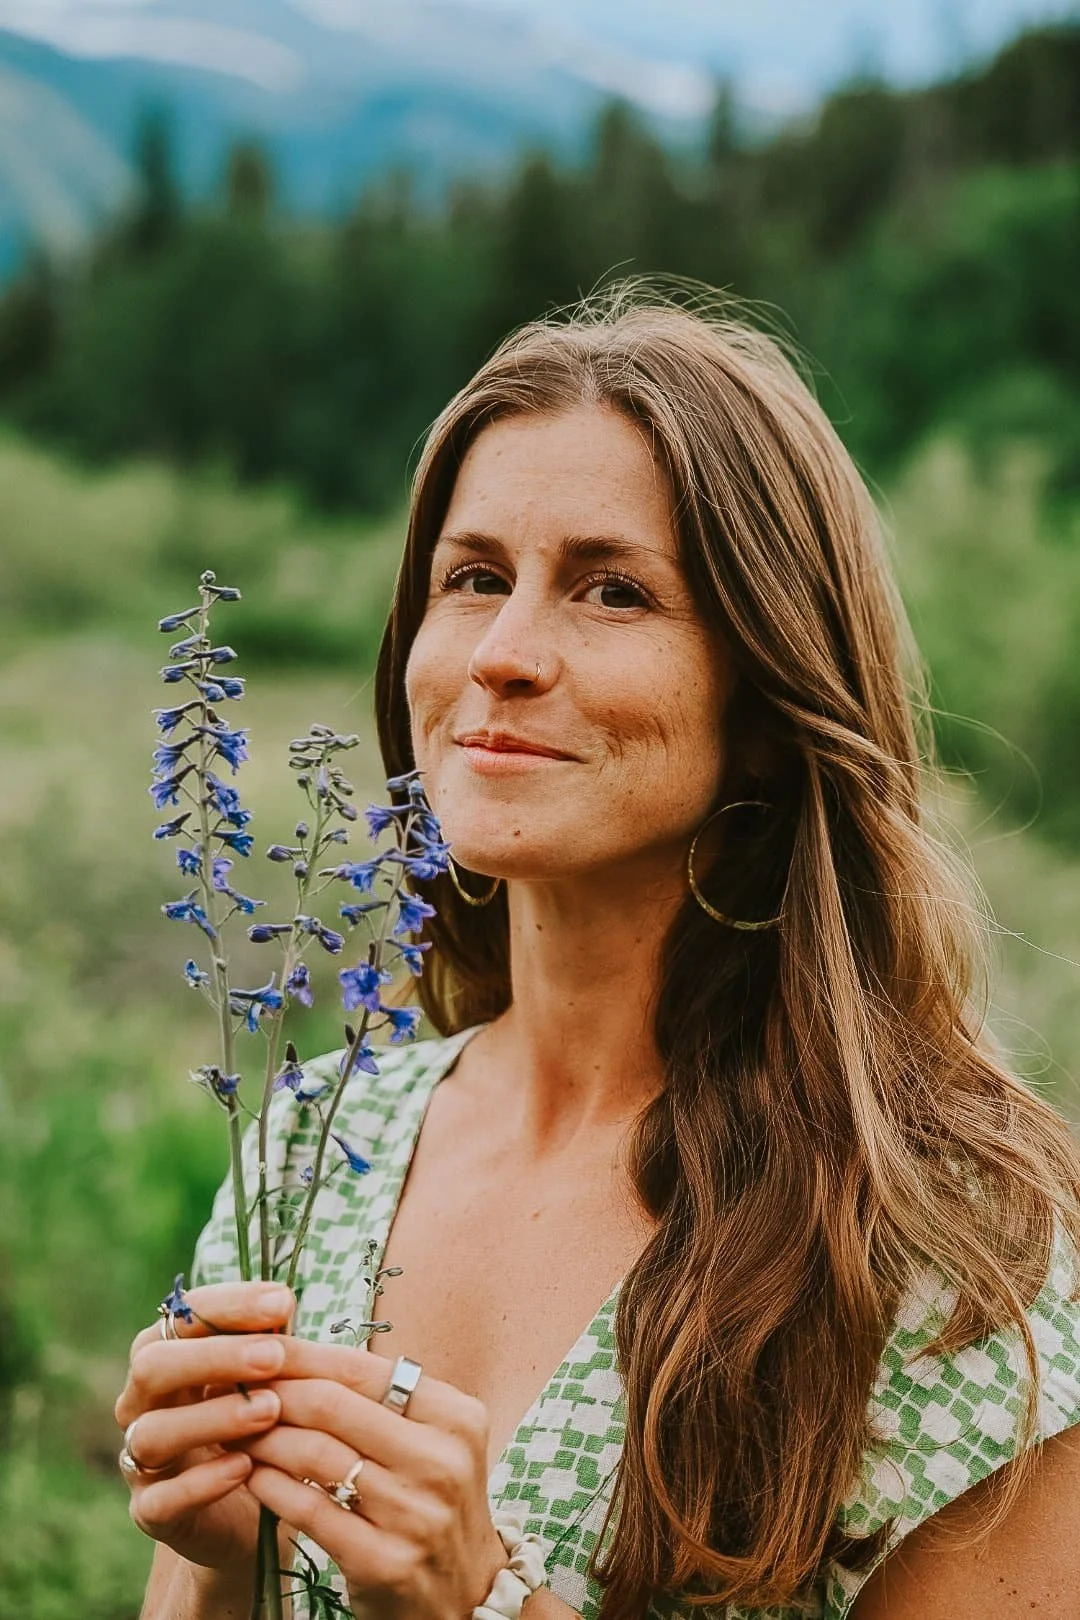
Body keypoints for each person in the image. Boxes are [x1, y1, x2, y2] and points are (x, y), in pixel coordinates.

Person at [115, 288, 1080, 1620]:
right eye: (473, 578)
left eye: (612, 590)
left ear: (767, 699)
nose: (504, 654)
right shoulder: (313, 1143)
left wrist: (482, 1606)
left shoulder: (960, 1249)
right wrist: (221, 1558)